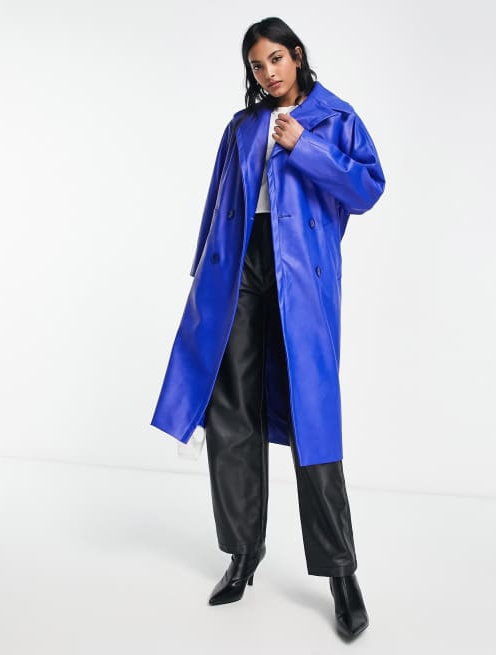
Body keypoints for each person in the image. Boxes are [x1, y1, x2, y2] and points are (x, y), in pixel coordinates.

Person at [150, 16, 385, 640]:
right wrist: (201, 274)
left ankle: (341, 574)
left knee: (314, 419)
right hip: (237, 272)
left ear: (297, 55)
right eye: (257, 65)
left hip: (299, 274)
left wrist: (303, 146)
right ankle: (243, 553)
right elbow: (218, 202)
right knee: (232, 411)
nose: (268, 72)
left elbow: (367, 189)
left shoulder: (334, 118)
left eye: (276, 58)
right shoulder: (242, 126)